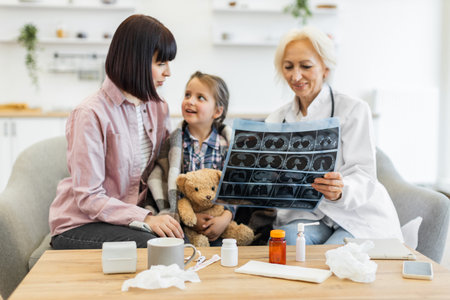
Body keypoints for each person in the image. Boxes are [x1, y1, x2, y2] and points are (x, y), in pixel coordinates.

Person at [49, 14, 184, 249]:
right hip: (81, 223)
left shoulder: (158, 107)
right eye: (161, 63)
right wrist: (146, 219)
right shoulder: (90, 114)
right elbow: (88, 198)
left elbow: (165, 167)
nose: (168, 72)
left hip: (128, 220)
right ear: (137, 61)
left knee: (183, 240)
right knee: (153, 245)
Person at [266, 26, 403, 245]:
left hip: (356, 215)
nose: (296, 75)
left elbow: (364, 175)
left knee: (336, 257)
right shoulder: (275, 120)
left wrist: (341, 190)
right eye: (288, 66)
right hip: (307, 217)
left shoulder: (353, 110)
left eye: (306, 66)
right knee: (288, 244)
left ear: (325, 68)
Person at [148, 71, 234, 246]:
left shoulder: (226, 146)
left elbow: (234, 188)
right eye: (188, 95)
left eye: (200, 97)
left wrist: (224, 218)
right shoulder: (173, 144)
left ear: (217, 111)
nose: (190, 101)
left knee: (226, 245)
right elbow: (167, 183)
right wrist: (190, 218)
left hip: (219, 220)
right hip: (184, 220)